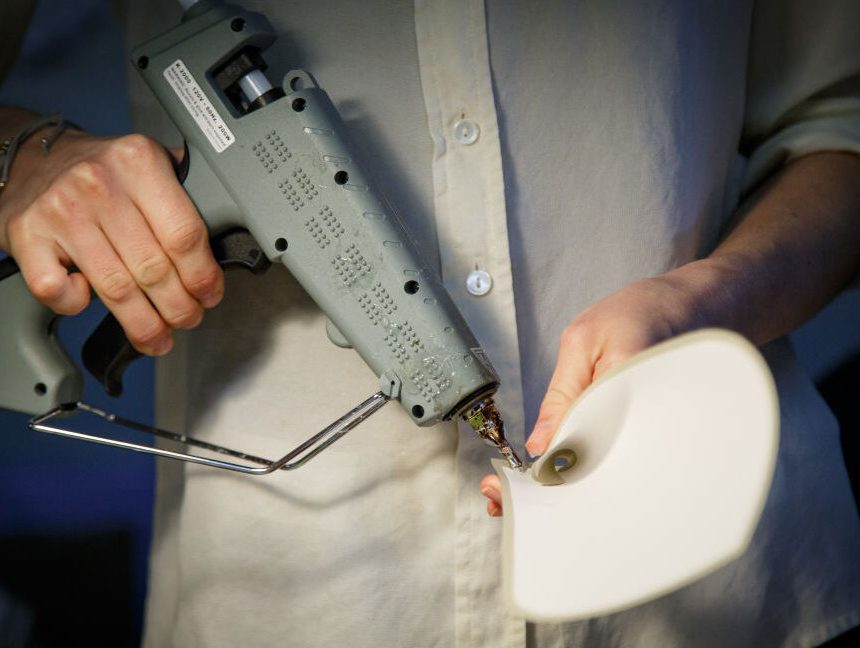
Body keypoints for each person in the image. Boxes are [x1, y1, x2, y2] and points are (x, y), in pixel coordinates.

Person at [2, 0, 859, 646]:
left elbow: (843, 132)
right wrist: (30, 158)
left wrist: (704, 303)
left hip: (747, 603)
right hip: (291, 604)